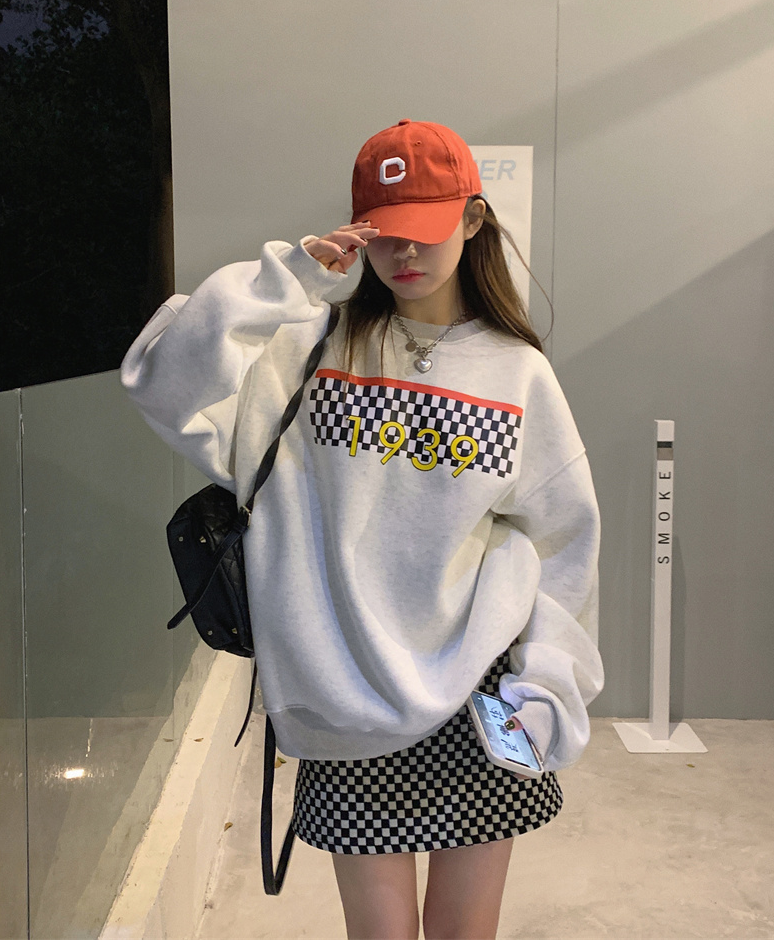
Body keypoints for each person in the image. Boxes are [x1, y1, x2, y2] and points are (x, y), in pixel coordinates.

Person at [119, 118, 605, 940]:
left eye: (425, 229)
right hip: (343, 699)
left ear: (473, 220)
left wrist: (548, 686)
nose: (404, 253)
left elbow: (563, 541)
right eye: (385, 233)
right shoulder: (305, 348)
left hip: (480, 698)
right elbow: (159, 379)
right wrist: (290, 279)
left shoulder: (517, 372)